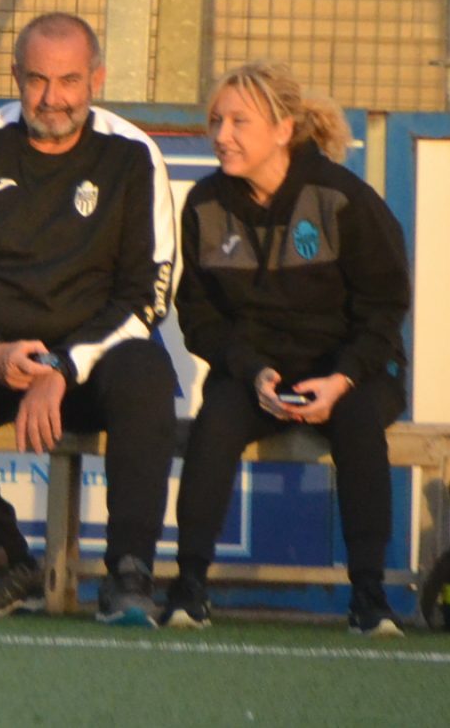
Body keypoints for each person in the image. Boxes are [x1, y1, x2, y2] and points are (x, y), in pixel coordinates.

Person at [0, 12, 179, 625]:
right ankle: (4, 560)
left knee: (148, 379)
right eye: (37, 80)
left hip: (90, 363)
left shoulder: (133, 154)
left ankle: (130, 574)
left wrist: (64, 368)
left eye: (69, 80)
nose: (53, 98)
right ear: (15, 76)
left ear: (96, 79)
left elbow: (147, 295)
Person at [163, 61, 412, 638]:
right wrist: (252, 371)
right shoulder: (205, 203)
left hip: (351, 369)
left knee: (358, 422)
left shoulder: (343, 199)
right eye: (216, 121)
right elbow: (198, 316)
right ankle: (188, 587)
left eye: (239, 122)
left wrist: (343, 378)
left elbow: (386, 305)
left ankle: (369, 596)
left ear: (283, 129)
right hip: (257, 373)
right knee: (215, 422)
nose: (222, 135)